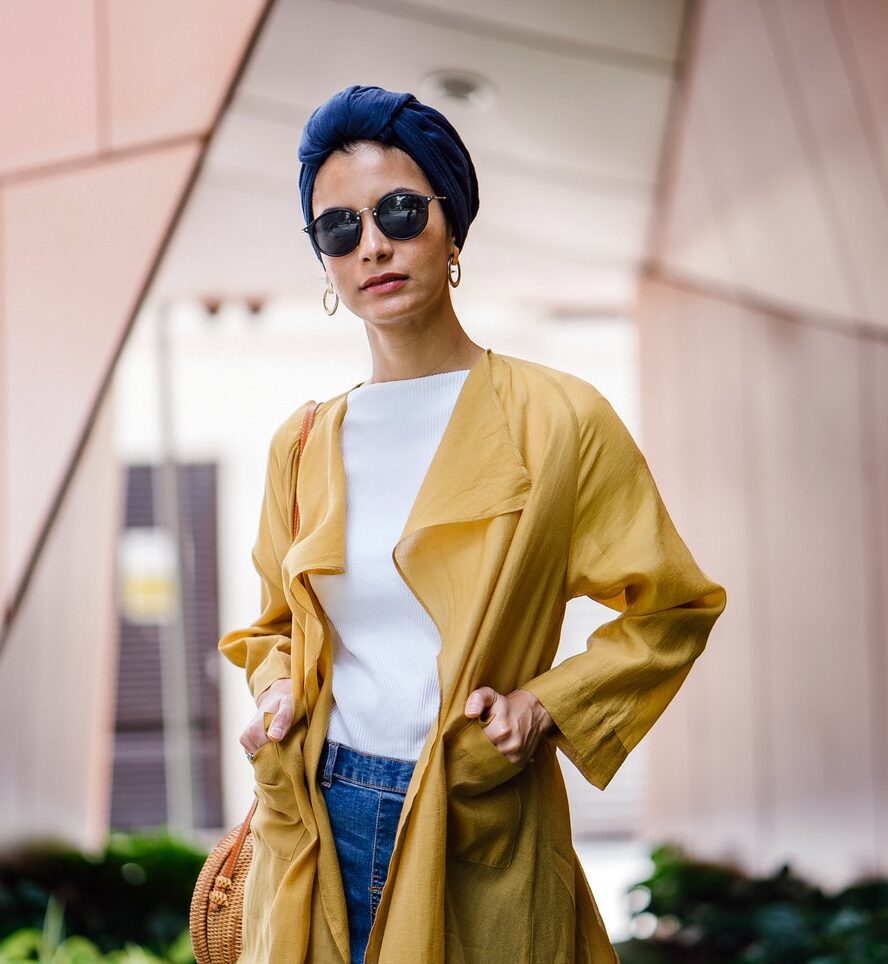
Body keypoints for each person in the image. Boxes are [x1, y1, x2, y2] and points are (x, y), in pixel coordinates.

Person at [218, 84, 727, 964]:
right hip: (315, 818)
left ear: (452, 226)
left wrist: (547, 706)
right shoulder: (300, 445)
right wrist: (276, 692)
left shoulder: (558, 421)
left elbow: (673, 608)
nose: (373, 244)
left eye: (400, 212)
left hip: (475, 814)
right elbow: (272, 627)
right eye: (338, 228)